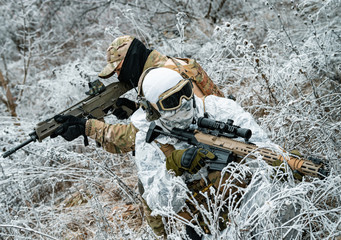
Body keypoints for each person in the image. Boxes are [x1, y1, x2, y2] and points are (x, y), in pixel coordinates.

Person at [51, 67, 270, 239]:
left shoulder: (221, 109)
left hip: (254, 206)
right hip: (206, 227)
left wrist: (283, 165)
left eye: (185, 92)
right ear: (153, 109)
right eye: (172, 101)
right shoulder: (150, 141)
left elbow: (262, 148)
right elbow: (161, 204)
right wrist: (174, 168)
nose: (184, 103)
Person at [97, 35, 224, 120]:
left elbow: (184, 120)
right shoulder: (164, 66)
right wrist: (136, 108)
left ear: (131, 60)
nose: (119, 76)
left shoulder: (164, 77)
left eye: (119, 69)